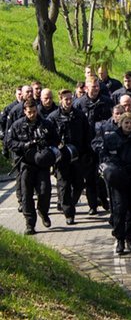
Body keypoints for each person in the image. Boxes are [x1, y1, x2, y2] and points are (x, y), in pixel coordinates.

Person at [6, 99, 59, 234]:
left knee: (44, 191)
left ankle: (43, 211)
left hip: (42, 163)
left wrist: (46, 146)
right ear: (25, 111)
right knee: (26, 194)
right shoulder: (17, 125)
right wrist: (24, 145)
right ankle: (30, 224)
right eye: (29, 112)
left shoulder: (46, 124)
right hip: (26, 164)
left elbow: (56, 139)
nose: (32, 114)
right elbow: (10, 142)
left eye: (34, 111)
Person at [100, 112, 131, 253]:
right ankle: (119, 239)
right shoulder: (111, 138)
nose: (129, 126)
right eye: (126, 123)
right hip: (118, 179)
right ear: (120, 123)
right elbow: (105, 157)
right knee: (119, 210)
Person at [48, 89, 92, 225]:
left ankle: (70, 204)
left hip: (78, 156)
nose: (68, 101)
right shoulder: (53, 117)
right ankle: (69, 213)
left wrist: (86, 152)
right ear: (60, 100)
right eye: (65, 99)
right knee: (64, 185)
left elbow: (87, 134)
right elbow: (48, 137)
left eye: (70, 99)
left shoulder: (79, 115)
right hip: (62, 158)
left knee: (79, 184)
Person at [74, 76, 113, 214]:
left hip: (103, 144)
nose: (95, 89)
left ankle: (104, 198)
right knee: (90, 177)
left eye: (97, 86)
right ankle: (93, 205)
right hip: (87, 146)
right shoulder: (79, 104)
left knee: (103, 175)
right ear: (86, 88)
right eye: (93, 86)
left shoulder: (107, 102)